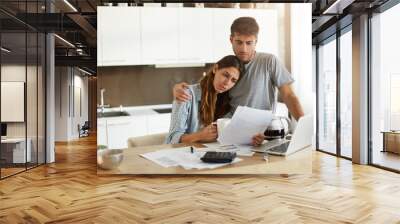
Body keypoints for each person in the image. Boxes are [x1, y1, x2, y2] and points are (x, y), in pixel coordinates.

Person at [173, 17, 304, 124]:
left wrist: (303, 125)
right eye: (239, 42)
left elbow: (288, 95)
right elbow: (206, 88)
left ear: (256, 42)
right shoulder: (228, 66)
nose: (244, 49)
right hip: (232, 129)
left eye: (249, 43)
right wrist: (179, 88)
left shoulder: (269, 61)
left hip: (263, 130)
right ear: (231, 40)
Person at [165, 55, 264, 146]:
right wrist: (199, 136)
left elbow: (229, 136)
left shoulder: (228, 101)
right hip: (183, 156)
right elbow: (171, 139)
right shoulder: (186, 94)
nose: (227, 83)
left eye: (233, 80)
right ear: (215, 69)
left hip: (209, 156)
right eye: (225, 75)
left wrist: (252, 139)